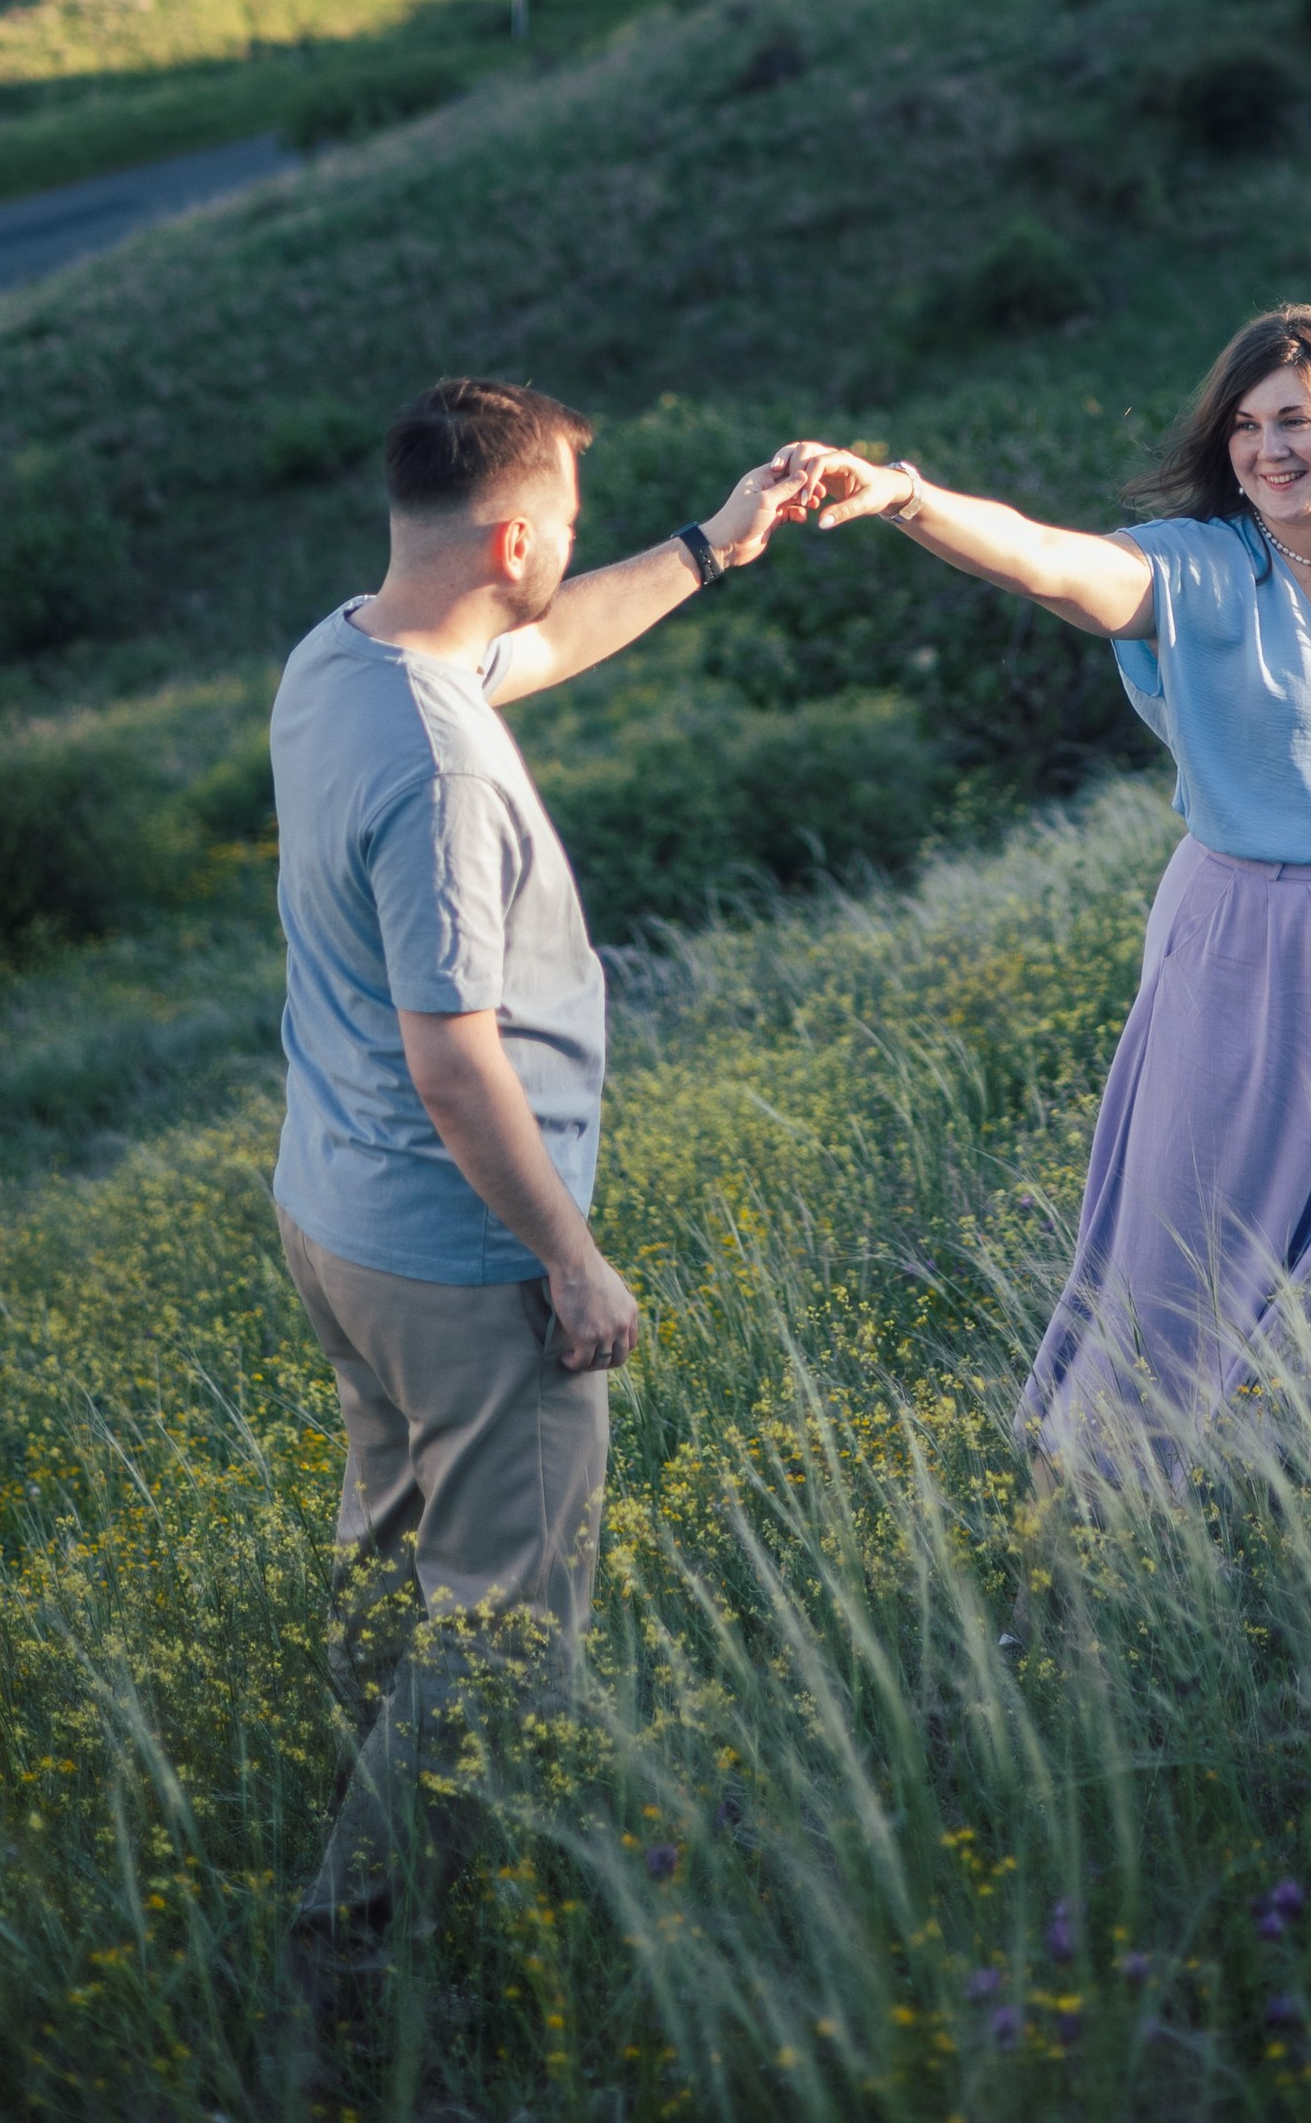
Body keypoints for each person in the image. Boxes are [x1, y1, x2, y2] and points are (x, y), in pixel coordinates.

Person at [791, 303, 1311, 1477]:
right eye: (1245, 427)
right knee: (1193, 1241)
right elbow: (1048, 560)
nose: (1267, 449)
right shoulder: (1200, 572)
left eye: (1294, 419)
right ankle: (1101, 1499)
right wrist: (905, 495)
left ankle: (1276, 1499)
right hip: (1254, 936)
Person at [271, 373, 805, 1948]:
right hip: (462, 1254)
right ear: (511, 540)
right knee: (504, 1624)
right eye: (563, 525)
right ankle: (361, 1940)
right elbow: (455, 1064)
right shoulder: (440, 775)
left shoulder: (344, 654)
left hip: (340, 1223)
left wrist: (712, 546)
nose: (570, 549)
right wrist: (571, 1261)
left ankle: (350, 1799)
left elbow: (542, 646)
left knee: (394, 1556)